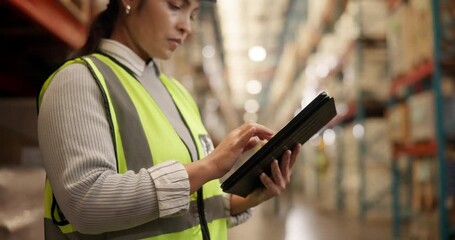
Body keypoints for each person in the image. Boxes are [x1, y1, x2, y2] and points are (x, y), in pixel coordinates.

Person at [37, 0, 301, 239]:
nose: (186, 27)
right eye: (175, 7)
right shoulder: (79, 81)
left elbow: (188, 208)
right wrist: (210, 166)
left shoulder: (178, 94)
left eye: (194, 15)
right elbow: (85, 205)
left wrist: (245, 199)